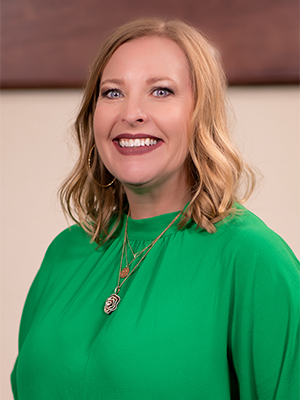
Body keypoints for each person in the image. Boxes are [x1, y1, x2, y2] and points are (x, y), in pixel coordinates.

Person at [11, 18, 299, 400]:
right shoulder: (65, 252)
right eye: (112, 93)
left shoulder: (252, 260)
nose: (131, 113)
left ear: (201, 115)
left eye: (161, 91)